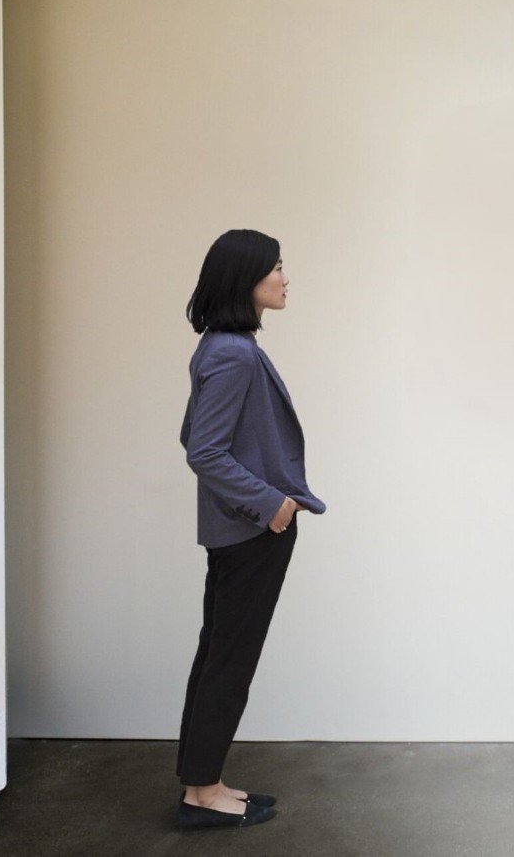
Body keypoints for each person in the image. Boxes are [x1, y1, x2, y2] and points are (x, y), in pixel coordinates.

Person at [175, 229, 327, 830]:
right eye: (277, 267)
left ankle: (202, 785)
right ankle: (203, 794)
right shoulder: (233, 353)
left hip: (239, 529)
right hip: (250, 531)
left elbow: (194, 438)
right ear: (247, 280)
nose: (286, 278)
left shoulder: (223, 345)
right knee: (229, 661)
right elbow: (205, 451)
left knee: (219, 654)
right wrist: (272, 505)